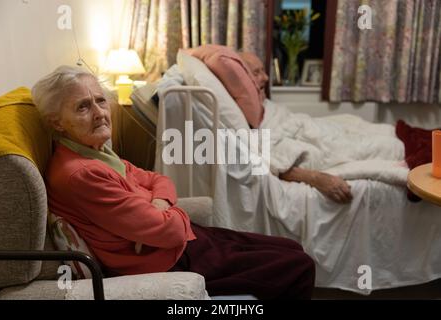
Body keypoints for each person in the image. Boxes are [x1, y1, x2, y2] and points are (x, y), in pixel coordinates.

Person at [32, 66, 315, 300]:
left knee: (291, 248)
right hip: (168, 261)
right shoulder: (81, 173)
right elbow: (169, 231)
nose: (99, 113)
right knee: (299, 266)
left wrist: (158, 204)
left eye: (100, 100)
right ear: (57, 122)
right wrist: (163, 212)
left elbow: (159, 179)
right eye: (83, 107)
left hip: (179, 243)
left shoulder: (95, 151)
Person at [239, 52, 353, 204]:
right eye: (256, 72)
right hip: (321, 145)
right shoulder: (243, 121)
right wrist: (315, 178)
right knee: (386, 146)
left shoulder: (264, 105)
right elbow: (268, 160)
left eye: (263, 71)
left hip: (317, 129)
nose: (266, 77)